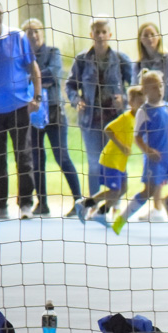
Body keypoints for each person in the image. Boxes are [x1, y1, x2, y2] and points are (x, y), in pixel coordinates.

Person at [110, 70, 168, 235]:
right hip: (155, 159)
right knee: (148, 191)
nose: (159, 90)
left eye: (160, 86)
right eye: (154, 87)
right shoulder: (144, 111)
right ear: (146, 91)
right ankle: (121, 218)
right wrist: (148, 151)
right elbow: (137, 137)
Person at [65, 16, 134, 200]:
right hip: (91, 120)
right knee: (94, 163)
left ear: (110, 34)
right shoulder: (82, 60)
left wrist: (125, 99)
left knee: (117, 161)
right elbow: (70, 85)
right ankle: (94, 203)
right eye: (97, 32)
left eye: (104, 32)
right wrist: (77, 100)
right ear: (91, 35)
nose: (101, 36)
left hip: (116, 120)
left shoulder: (121, 59)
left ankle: (115, 201)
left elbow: (135, 84)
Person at [22, 18, 82, 217]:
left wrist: (32, 77)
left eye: (37, 31)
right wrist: (36, 78)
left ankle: (79, 200)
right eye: (29, 32)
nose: (34, 35)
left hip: (54, 111)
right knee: (37, 159)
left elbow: (53, 74)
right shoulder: (23, 56)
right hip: (33, 112)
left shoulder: (53, 52)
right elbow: (22, 78)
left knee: (61, 156)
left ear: (43, 33)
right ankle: (42, 203)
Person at [0, 0, 40, 221]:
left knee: (24, 156)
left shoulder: (17, 36)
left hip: (18, 107)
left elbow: (33, 67)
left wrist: (36, 96)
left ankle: (26, 204)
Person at [135, 22, 168, 221]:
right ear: (140, 39)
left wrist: (152, 92)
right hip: (152, 113)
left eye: (152, 34)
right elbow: (137, 89)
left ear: (158, 36)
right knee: (155, 158)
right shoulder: (139, 63)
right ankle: (157, 207)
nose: (149, 38)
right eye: (145, 35)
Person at [79, 86, 144, 224]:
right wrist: (121, 146)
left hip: (121, 161)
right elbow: (108, 129)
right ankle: (85, 204)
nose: (141, 105)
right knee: (114, 190)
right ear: (131, 102)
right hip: (112, 158)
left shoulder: (137, 119)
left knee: (123, 189)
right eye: (139, 102)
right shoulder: (125, 117)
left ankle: (101, 212)